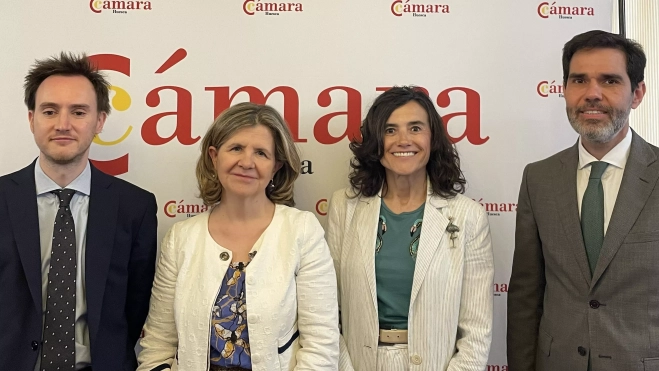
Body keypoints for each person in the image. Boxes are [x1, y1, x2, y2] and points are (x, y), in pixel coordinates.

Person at [137, 102, 339, 371]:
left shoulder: (302, 230)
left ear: (276, 166)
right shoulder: (181, 238)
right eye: (236, 149)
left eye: (261, 153)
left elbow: (321, 346)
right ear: (214, 156)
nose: (247, 162)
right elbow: (158, 344)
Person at [507, 30, 657, 371]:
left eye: (609, 81)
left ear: (637, 94)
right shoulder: (538, 178)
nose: (592, 94)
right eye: (579, 80)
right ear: (564, 90)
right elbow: (526, 297)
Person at [0, 52, 158, 371]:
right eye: (49, 111)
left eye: (78, 111)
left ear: (99, 120)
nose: (63, 124)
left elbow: (136, 305)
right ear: (32, 119)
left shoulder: (134, 207)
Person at [327, 86, 494, 371]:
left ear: (433, 138)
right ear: (376, 141)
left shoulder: (468, 216)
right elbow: (328, 311)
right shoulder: (345, 207)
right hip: (358, 363)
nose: (403, 140)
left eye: (415, 128)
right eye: (390, 130)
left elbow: (476, 330)